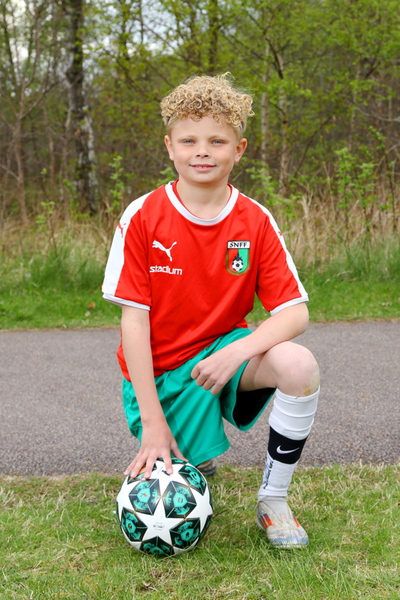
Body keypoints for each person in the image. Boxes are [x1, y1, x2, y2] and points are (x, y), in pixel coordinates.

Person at [102, 74, 320, 549]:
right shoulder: (142, 216)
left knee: (300, 366)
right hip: (163, 371)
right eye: (189, 140)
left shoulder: (256, 220)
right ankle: (191, 449)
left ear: (238, 150)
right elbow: (133, 323)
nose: (202, 152)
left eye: (217, 141)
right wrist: (153, 424)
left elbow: (295, 312)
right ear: (170, 147)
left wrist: (236, 352)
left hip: (224, 354)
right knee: (179, 470)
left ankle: (274, 501)